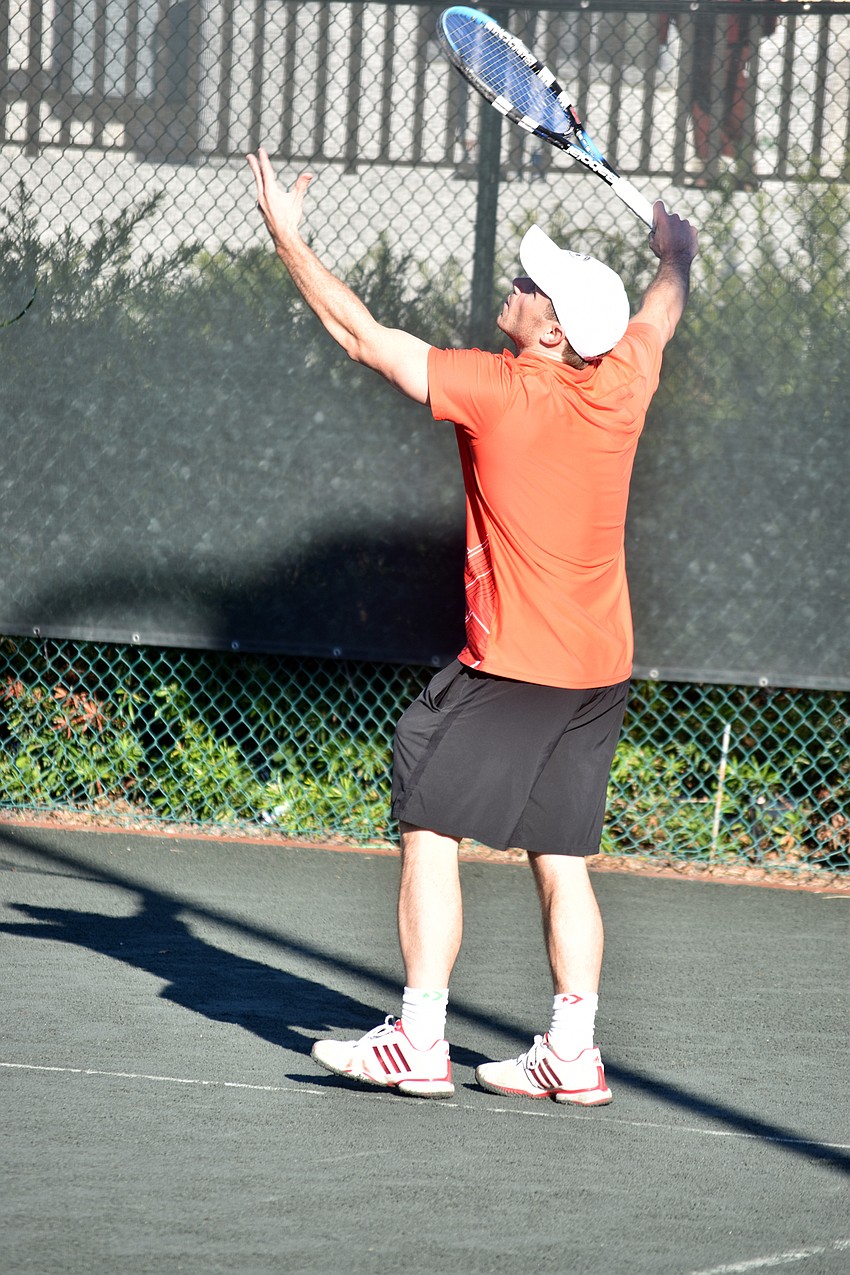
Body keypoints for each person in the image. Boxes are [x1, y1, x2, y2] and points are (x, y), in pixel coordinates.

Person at [247, 147, 697, 1105]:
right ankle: (571, 1050)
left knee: (431, 823)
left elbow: (362, 334)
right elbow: (659, 313)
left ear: (552, 332)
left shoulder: (501, 390)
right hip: (596, 671)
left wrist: (286, 233)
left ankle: (419, 1033)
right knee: (562, 855)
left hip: (515, 665)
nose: (519, 287)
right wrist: (676, 254)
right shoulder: (620, 383)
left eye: (533, 287)